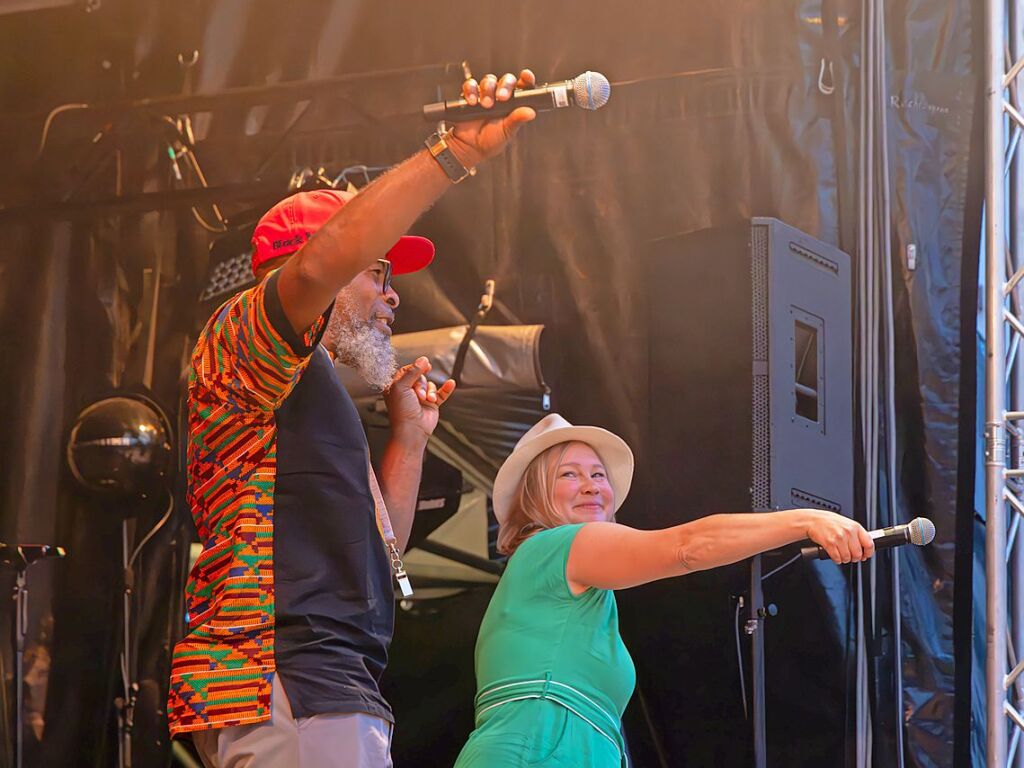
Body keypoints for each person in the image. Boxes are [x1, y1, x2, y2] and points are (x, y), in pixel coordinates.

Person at [167, 68, 539, 767]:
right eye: (378, 273)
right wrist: (455, 153)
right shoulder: (243, 343)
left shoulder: (310, 397)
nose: (394, 298)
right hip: (286, 674)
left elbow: (385, 551)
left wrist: (409, 438)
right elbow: (315, 269)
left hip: (326, 681)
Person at [454, 413, 876, 767]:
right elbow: (687, 547)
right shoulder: (555, 547)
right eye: (569, 474)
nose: (591, 485)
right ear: (534, 497)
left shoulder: (575, 588)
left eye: (599, 475)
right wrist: (803, 521)